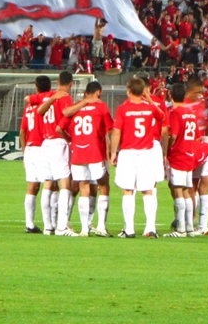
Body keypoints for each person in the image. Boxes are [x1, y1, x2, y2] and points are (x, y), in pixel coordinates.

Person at [110, 77, 165, 238]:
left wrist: (114, 152)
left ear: (128, 91)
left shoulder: (123, 109)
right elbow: (161, 116)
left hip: (128, 153)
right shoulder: (149, 109)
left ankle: (130, 229)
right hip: (146, 153)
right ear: (142, 92)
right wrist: (148, 99)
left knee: (128, 190)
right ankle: (150, 228)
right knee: (147, 191)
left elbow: (116, 131)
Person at [58, 80, 114, 237]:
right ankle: (101, 226)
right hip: (96, 152)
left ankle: (84, 229)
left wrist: (71, 140)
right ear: (98, 92)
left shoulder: (76, 107)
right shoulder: (101, 106)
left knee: (83, 187)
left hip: (78, 153)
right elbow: (110, 129)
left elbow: (59, 128)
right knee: (103, 186)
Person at [28, 71, 75, 236]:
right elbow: (63, 123)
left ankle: (48, 227)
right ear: (71, 84)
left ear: (57, 82)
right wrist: (70, 140)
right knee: (65, 184)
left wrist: (53, 98)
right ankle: (62, 226)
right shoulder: (66, 98)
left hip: (45, 143)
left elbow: (39, 111)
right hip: (58, 142)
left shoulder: (49, 96)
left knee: (48, 184)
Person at [163, 83, 199, 238]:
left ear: (171, 95)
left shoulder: (175, 112)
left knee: (177, 190)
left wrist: (167, 150)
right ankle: (189, 228)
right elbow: (196, 135)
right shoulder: (190, 112)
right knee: (186, 191)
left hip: (178, 155)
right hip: (189, 154)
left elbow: (174, 135)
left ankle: (181, 229)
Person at [19, 76, 50, 233]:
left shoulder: (28, 107)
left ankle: (29, 224)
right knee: (49, 185)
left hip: (30, 150)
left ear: (37, 88)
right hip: (42, 148)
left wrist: (24, 153)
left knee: (32, 186)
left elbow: (22, 132)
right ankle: (49, 225)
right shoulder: (47, 105)